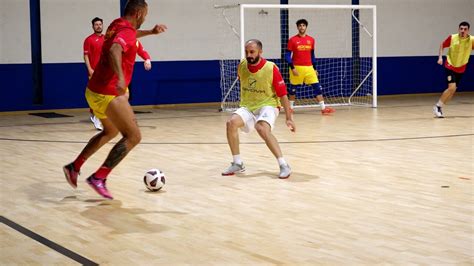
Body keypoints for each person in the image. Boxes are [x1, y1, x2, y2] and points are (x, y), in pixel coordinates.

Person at [63, 0, 167, 199]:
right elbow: (115, 50)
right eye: (145, 14)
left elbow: (127, 38)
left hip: (93, 90)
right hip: (109, 92)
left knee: (110, 131)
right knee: (133, 136)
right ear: (138, 13)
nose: (146, 17)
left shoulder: (116, 25)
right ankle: (99, 177)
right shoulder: (125, 31)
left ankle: (74, 167)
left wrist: (150, 32)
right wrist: (120, 77)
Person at [222, 39, 296, 179]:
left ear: (260, 52)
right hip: (249, 106)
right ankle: (238, 163)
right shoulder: (242, 66)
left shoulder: (271, 68)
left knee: (261, 128)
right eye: (247, 52)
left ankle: (284, 165)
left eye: (252, 52)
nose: (249, 55)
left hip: (268, 105)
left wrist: (288, 118)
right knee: (231, 123)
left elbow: (283, 95)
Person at [285, 19, 335, 115]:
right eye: (300, 25)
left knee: (317, 87)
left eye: (303, 25)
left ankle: (323, 108)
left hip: (309, 68)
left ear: (306, 27)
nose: (302, 27)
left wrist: (315, 68)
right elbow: (287, 55)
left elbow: (312, 55)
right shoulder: (292, 40)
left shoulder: (311, 40)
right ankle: (290, 108)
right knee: (293, 89)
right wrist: (292, 67)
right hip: (297, 68)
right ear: (297, 27)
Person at [433, 21, 473, 118]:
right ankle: (437, 107)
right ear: (458, 29)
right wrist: (440, 57)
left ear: (468, 30)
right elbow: (442, 45)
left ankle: (440, 106)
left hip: (461, 67)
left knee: (453, 91)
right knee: (451, 87)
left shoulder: (472, 40)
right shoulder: (452, 38)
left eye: (465, 29)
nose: (463, 31)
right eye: (461, 29)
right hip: (450, 65)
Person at [83, 17, 105, 130]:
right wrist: (90, 69)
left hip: (105, 72)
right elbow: (86, 55)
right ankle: (96, 117)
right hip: (94, 72)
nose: (98, 26)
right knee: (96, 95)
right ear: (93, 26)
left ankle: (97, 115)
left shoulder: (106, 39)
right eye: (96, 24)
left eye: (100, 24)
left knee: (104, 95)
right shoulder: (89, 40)